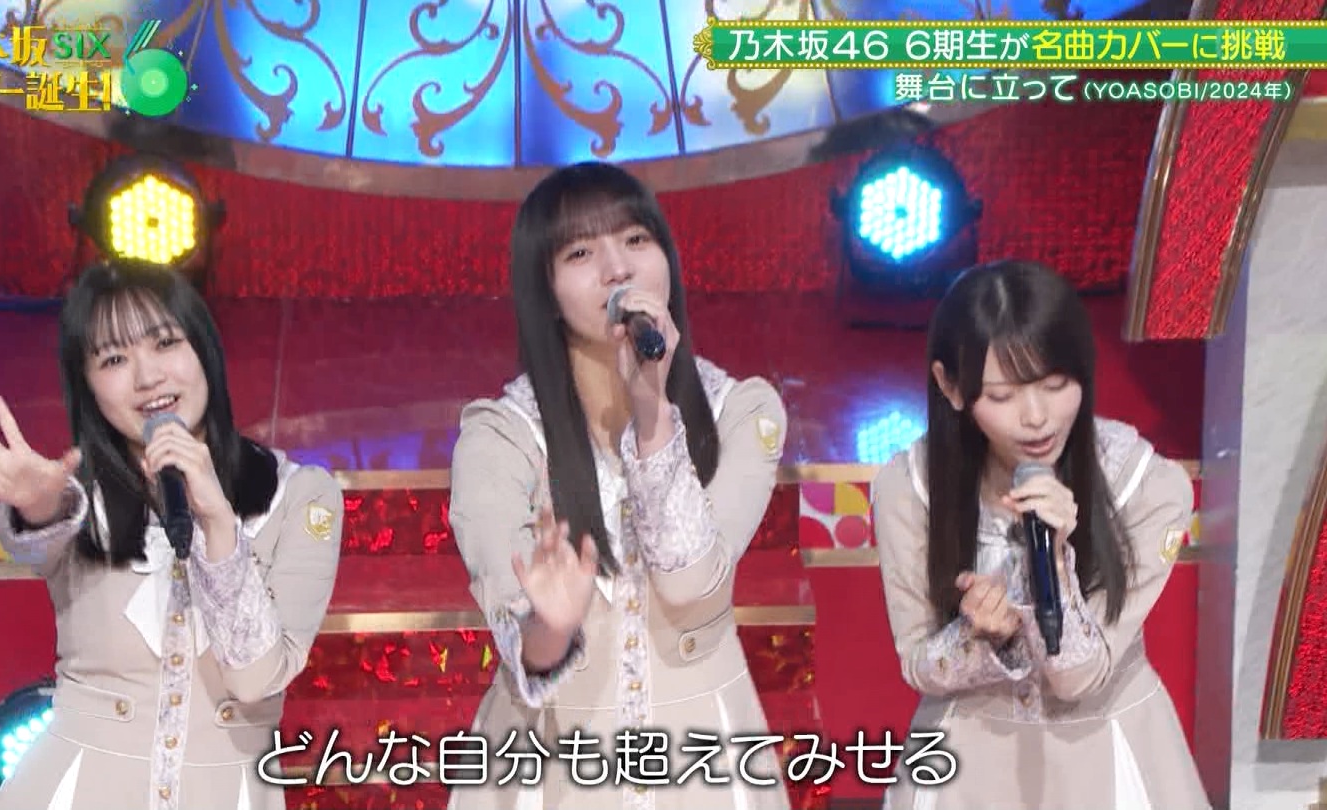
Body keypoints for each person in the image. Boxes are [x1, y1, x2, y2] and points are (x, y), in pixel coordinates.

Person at [0, 259, 344, 810]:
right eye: (114, 359)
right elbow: (43, 531)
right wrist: (38, 504)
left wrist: (216, 520)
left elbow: (254, 681)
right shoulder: (74, 498)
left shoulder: (301, 496)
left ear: (204, 350)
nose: (148, 376)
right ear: (87, 385)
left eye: (165, 343)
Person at [445, 161, 791, 810]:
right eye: (580, 252)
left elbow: (692, 584)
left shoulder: (742, 412)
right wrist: (550, 627)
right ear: (545, 289)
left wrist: (653, 419)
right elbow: (519, 635)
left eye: (635, 239)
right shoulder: (501, 437)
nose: (617, 269)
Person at [870, 260, 1209, 809]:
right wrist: (977, 636)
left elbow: (1080, 678)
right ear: (951, 386)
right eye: (1002, 397)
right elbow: (917, 664)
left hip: (1107, 754)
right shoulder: (910, 489)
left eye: (1056, 385)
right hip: (967, 765)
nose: (1036, 417)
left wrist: (1052, 563)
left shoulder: (1147, 487)